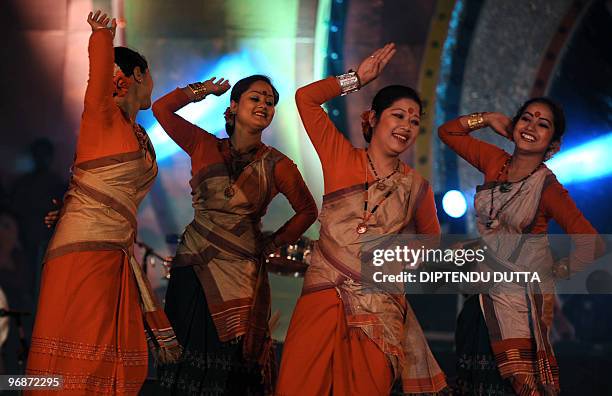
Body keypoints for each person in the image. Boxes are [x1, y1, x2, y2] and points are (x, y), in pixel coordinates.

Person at [276, 44, 447, 395]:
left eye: (415, 121)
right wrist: (356, 78)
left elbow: (430, 243)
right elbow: (305, 99)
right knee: (299, 385)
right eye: (398, 115)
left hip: (379, 306)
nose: (407, 126)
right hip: (323, 294)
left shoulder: (417, 187)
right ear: (373, 118)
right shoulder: (340, 156)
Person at [26, 11, 179, 394]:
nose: (153, 86)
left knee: (117, 355)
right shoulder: (102, 115)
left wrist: (71, 205)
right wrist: (102, 37)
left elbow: (99, 185)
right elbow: (98, 80)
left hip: (116, 255)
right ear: (137, 75)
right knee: (82, 353)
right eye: (151, 76)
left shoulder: (139, 134)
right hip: (84, 255)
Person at [152, 75, 317, 394]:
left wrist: (272, 243)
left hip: (240, 275)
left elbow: (308, 210)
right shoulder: (203, 144)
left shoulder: (278, 165)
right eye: (256, 98)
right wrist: (204, 90)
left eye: (270, 102)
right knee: (182, 362)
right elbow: (161, 109)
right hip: (192, 266)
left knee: (230, 369)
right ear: (233, 106)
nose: (264, 105)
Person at [439, 100, 602, 395]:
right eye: (526, 119)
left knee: (513, 385)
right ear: (513, 126)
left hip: (517, 306)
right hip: (481, 297)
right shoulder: (494, 161)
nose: (531, 127)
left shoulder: (548, 188)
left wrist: (558, 270)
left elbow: (591, 241)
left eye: (543, 124)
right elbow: (448, 132)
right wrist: (488, 119)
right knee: (473, 383)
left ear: (552, 144)